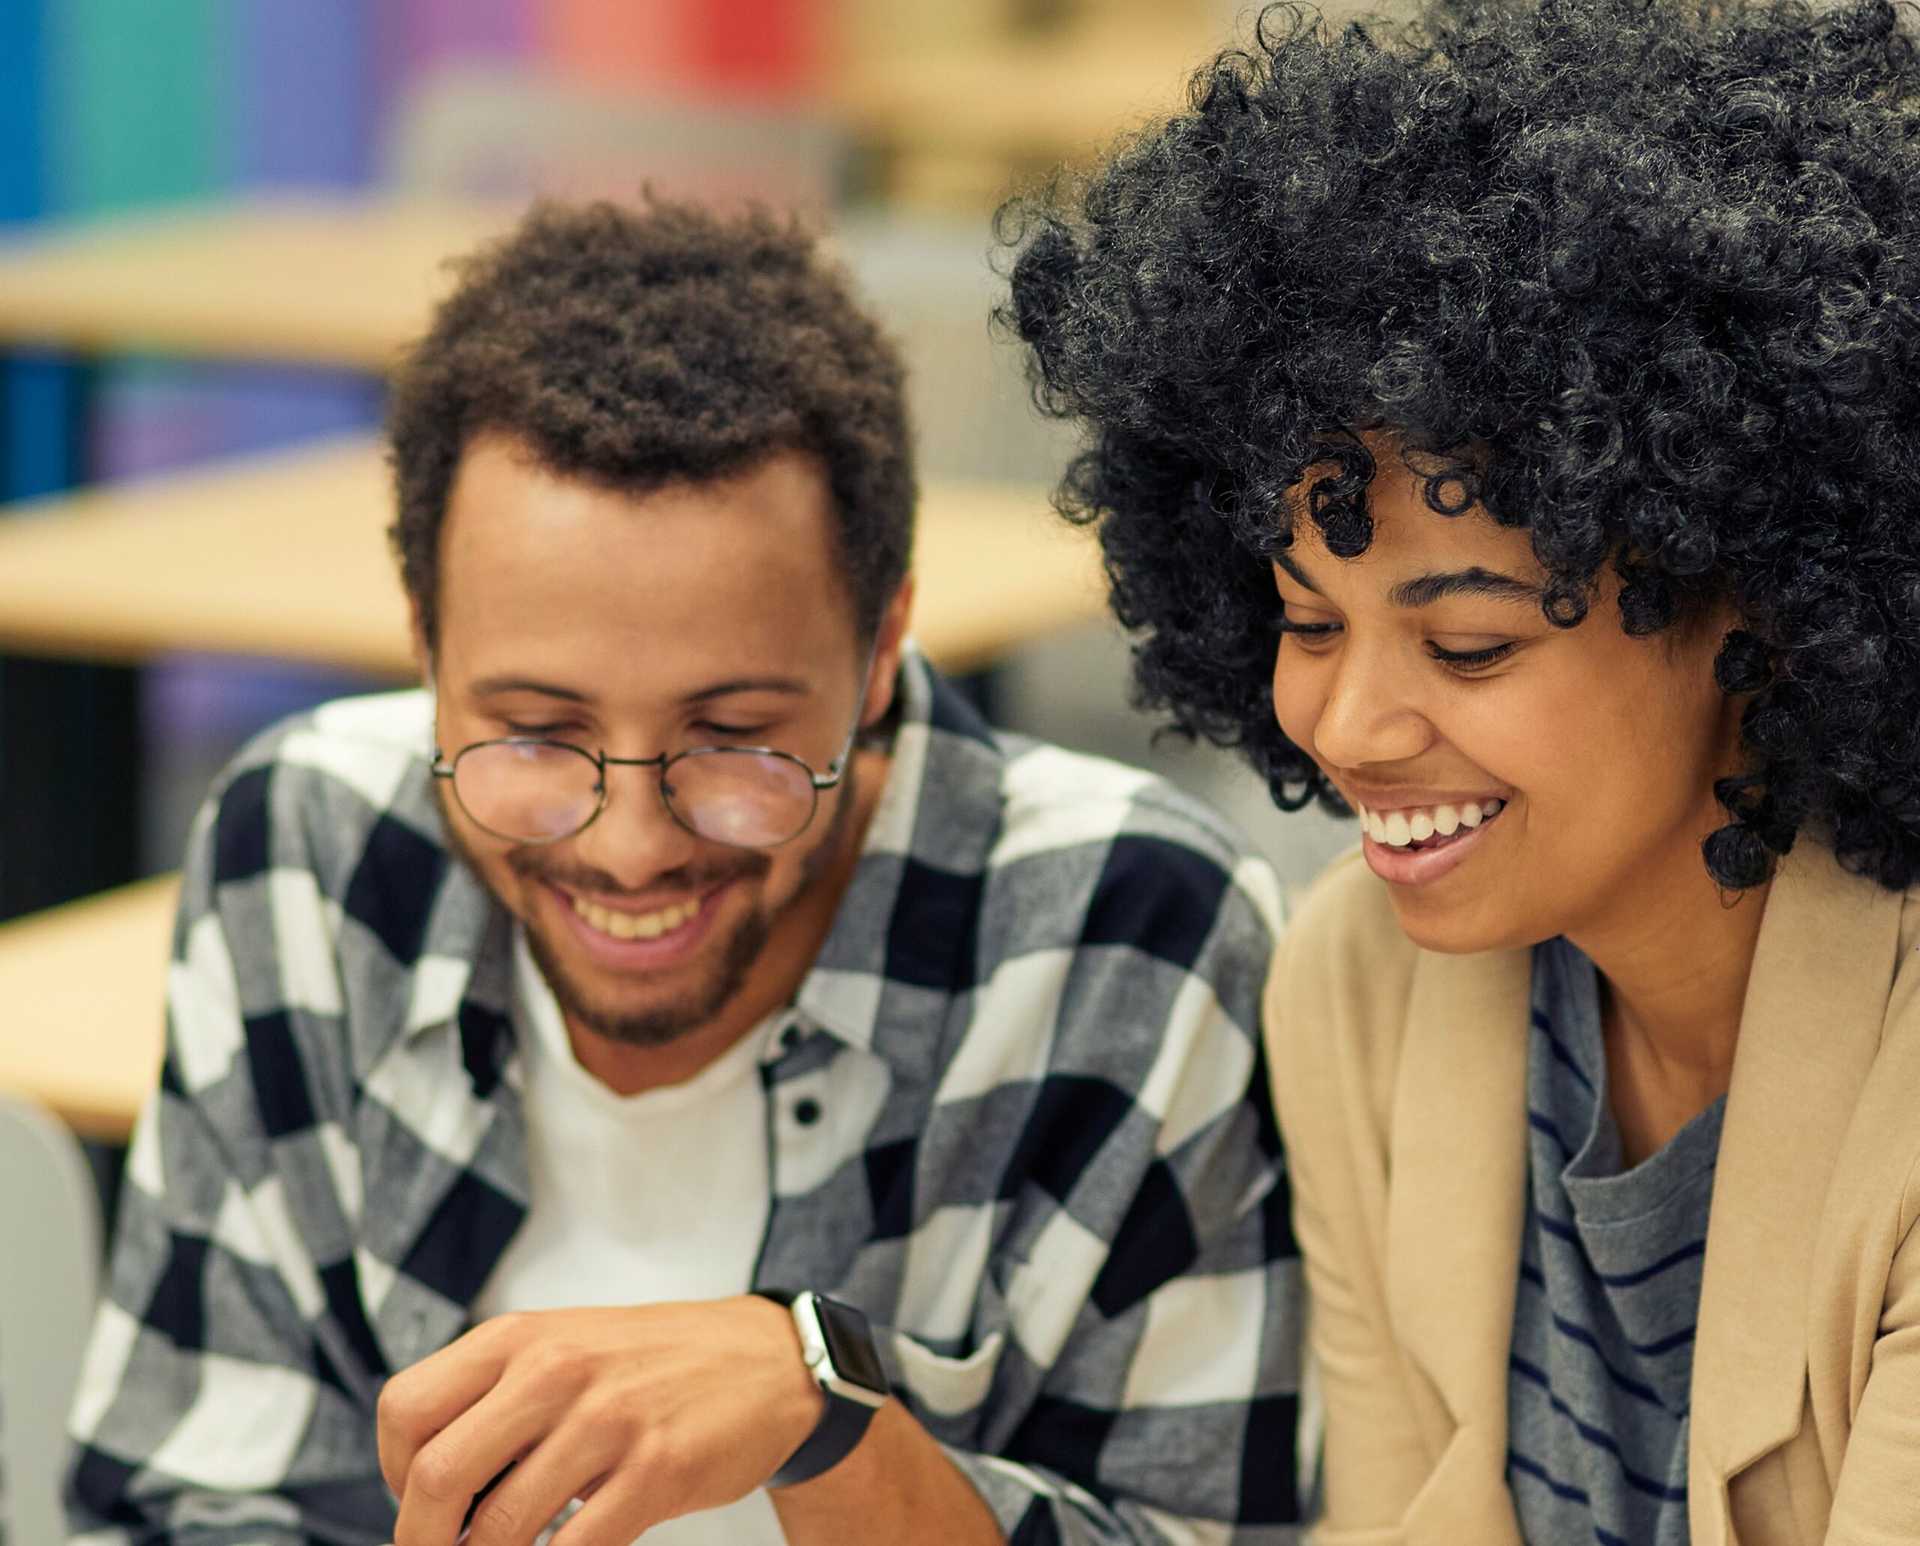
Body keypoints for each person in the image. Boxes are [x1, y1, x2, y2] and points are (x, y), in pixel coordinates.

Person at [63, 199, 1303, 1545]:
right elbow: (183, 1496)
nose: (631, 844)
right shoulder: (305, 852)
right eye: (535, 731)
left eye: (734, 739)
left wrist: (822, 1409)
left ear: (881, 648)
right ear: (426, 640)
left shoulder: (1128, 931)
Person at [1002, 0, 1920, 1540]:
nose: (1351, 725)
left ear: (1754, 599)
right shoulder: (1357, 993)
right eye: (1306, 619)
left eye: (1473, 645)